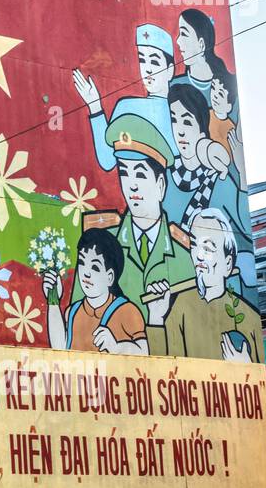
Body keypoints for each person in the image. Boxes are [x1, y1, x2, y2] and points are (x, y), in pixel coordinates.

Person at [75, 100, 194, 324]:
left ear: (161, 185)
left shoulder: (184, 255)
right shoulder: (98, 244)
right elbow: (78, 323)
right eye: (124, 173)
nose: (132, 185)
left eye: (140, 174)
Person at [164, 82, 255, 287]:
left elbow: (243, 225)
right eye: (174, 121)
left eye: (187, 122)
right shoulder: (166, 180)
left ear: (202, 128)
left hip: (216, 293)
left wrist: (239, 173)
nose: (180, 131)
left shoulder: (219, 181)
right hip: (174, 285)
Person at [145, 208, 261, 362]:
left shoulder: (249, 318)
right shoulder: (181, 304)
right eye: (194, 246)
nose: (198, 255)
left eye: (207, 248)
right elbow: (164, 372)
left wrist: (246, 367)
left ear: (227, 263)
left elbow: (260, 381)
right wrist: (156, 318)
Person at [74, 23, 177, 174]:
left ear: (170, 70)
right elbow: (108, 161)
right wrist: (95, 107)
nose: (147, 69)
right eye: (142, 60)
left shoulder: (180, 109)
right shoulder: (126, 106)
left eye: (154, 62)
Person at [43, 228, 147, 355]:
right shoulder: (73, 312)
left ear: (110, 277)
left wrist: (116, 346)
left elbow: (145, 353)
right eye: (82, 262)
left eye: (95, 267)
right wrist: (53, 301)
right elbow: (60, 348)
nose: (86, 273)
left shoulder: (127, 311)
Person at [175, 8, 237, 123]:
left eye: (184, 34)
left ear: (201, 44)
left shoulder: (226, 87)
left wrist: (223, 115)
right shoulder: (175, 86)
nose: (178, 40)